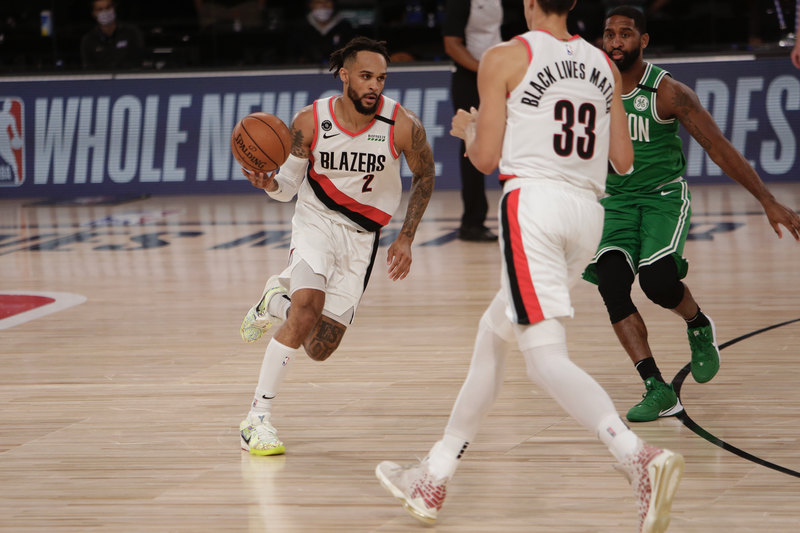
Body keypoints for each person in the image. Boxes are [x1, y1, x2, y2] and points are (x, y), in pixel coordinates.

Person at [375, 2, 684, 531]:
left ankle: (636, 457)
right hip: (587, 215)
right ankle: (434, 475)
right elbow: (624, 161)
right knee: (494, 335)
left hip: (533, 208)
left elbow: (486, 159)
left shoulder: (505, 56)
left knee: (542, 358)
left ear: (529, 4)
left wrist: (468, 129)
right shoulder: (603, 65)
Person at [582, 6, 800, 423]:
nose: (615, 42)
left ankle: (697, 323)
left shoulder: (668, 92)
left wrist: (766, 200)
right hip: (615, 201)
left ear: (643, 41)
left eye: (625, 34)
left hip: (662, 196)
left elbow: (718, 148)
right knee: (611, 283)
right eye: (609, 34)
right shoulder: (592, 90)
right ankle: (657, 387)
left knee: (658, 282)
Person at [237, 36, 436, 456]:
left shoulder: (402, 125)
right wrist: (269, 182)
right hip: (316, 221)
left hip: (362, 238)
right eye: (365, 76)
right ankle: (257, 418)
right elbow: (288, 186)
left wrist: (406, 236)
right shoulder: (310, 121)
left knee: (318, 347)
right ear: (345, 75)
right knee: (306, 308)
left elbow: (426, 175)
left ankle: (275, 300)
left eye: (380, 78)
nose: (374, 86)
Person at [442, 0, 502, 242]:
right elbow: (451, 44)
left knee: (509, 140)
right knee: (471, 144)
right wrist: (484, 69)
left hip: (497, 76)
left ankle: (517, 214)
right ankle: (472, 222)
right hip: (470, 78)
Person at [80, 0, 145, 70]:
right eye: (100, 9)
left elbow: (138, 60)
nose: (105, 12)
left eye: (108, 8)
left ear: (114, 7)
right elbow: (89, 67)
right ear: (93, 13)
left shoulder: (131, 32)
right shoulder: (89, 39)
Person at [287, 0, 356, 65]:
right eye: (318, 2)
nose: (323, 6)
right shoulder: (300, 29)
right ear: (311, 5)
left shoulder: (345, 28)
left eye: (327, 2)